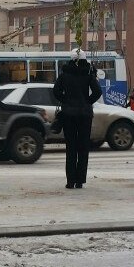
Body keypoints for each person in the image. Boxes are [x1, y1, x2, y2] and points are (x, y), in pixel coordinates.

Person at [53, 48, 102, 189]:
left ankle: (70, 181)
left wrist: (66, 100)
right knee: (83, 148)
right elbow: (98, 91)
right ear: (84, 59)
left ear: (71, 59)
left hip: (68, 114)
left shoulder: (65, 74)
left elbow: (56, 91)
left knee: (71, 148)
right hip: (85, 115)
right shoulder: (88, 74)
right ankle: (80, 181)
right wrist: (87, 101)